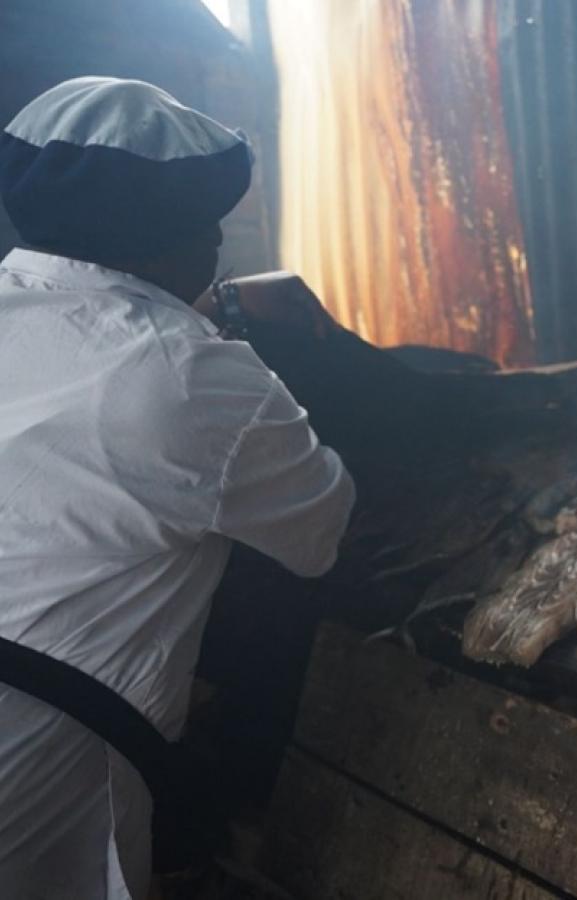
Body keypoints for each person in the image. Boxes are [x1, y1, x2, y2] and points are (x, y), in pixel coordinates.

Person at [0, 77, 357, 899]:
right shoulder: (191, 373)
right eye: (213, 230)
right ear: (171, 245)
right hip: (32, 782)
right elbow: (322, 530)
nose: (220, 249)